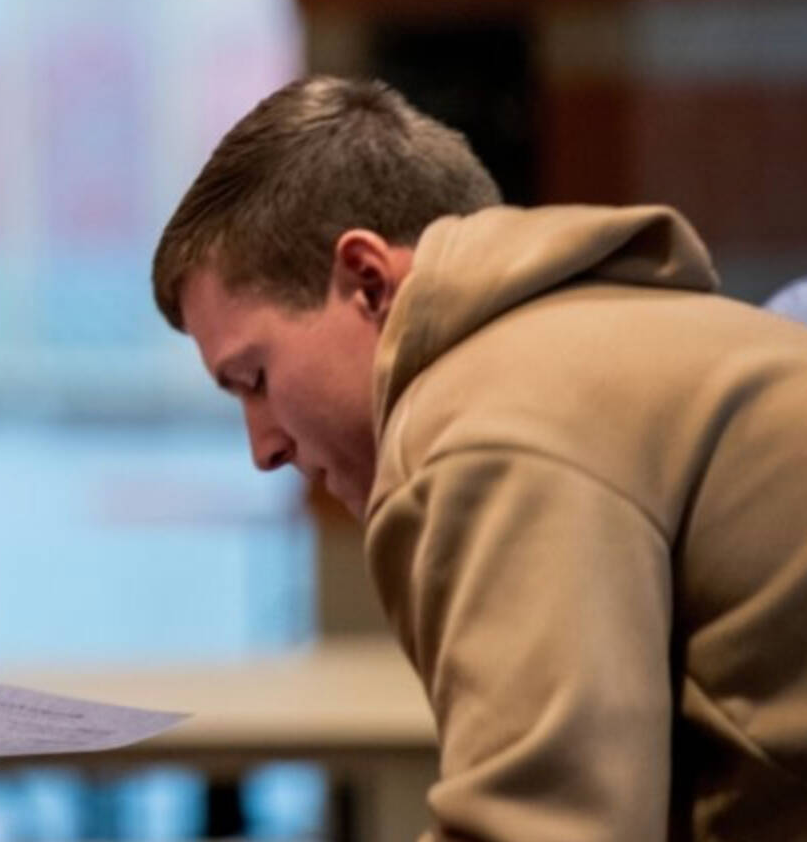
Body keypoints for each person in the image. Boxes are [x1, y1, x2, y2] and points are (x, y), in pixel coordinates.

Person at [150, 75, 807, 841]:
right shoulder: (607, 337)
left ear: (368, 282)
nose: (263, 448)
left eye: (255, 379)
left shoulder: (483, 419)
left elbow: (547, 829)